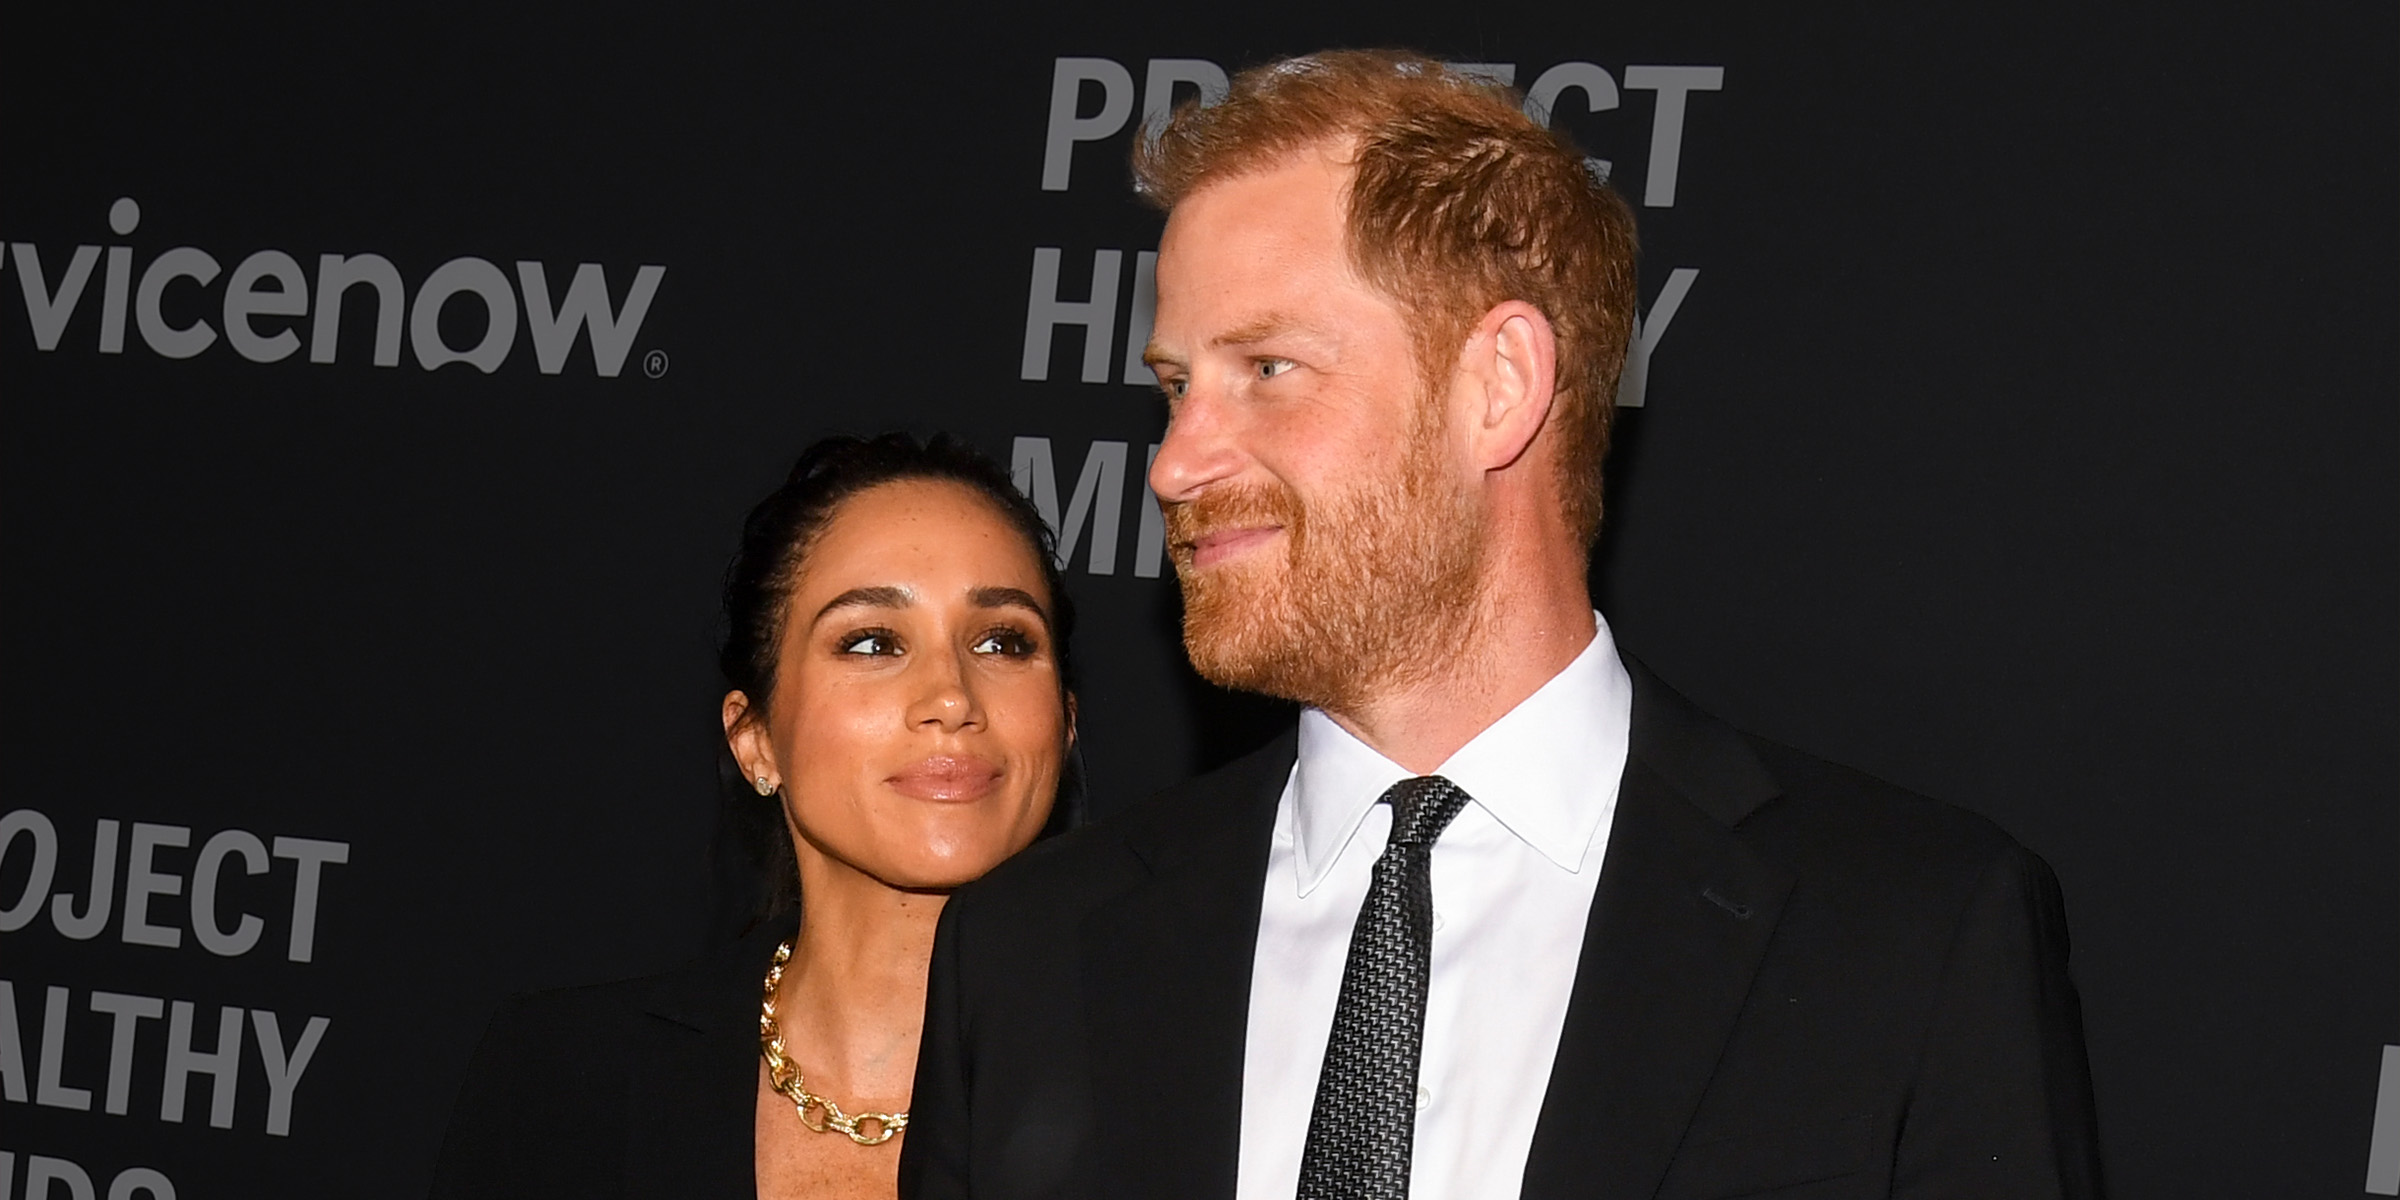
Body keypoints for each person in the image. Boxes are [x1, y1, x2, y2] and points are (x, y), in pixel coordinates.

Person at [899, 50, 2102, 1200]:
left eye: (1266, 369)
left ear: (1501, 386)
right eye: (1176, 387)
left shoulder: (1911, 937)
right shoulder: (1028, 957)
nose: (1174, 464)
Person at [431, 433, 1079, 1200]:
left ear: (1066, 722)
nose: (951, 696)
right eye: (872, 643)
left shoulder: (1172, 1093)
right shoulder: (565, 1082)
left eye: (1003, 642)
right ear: (756, 739)